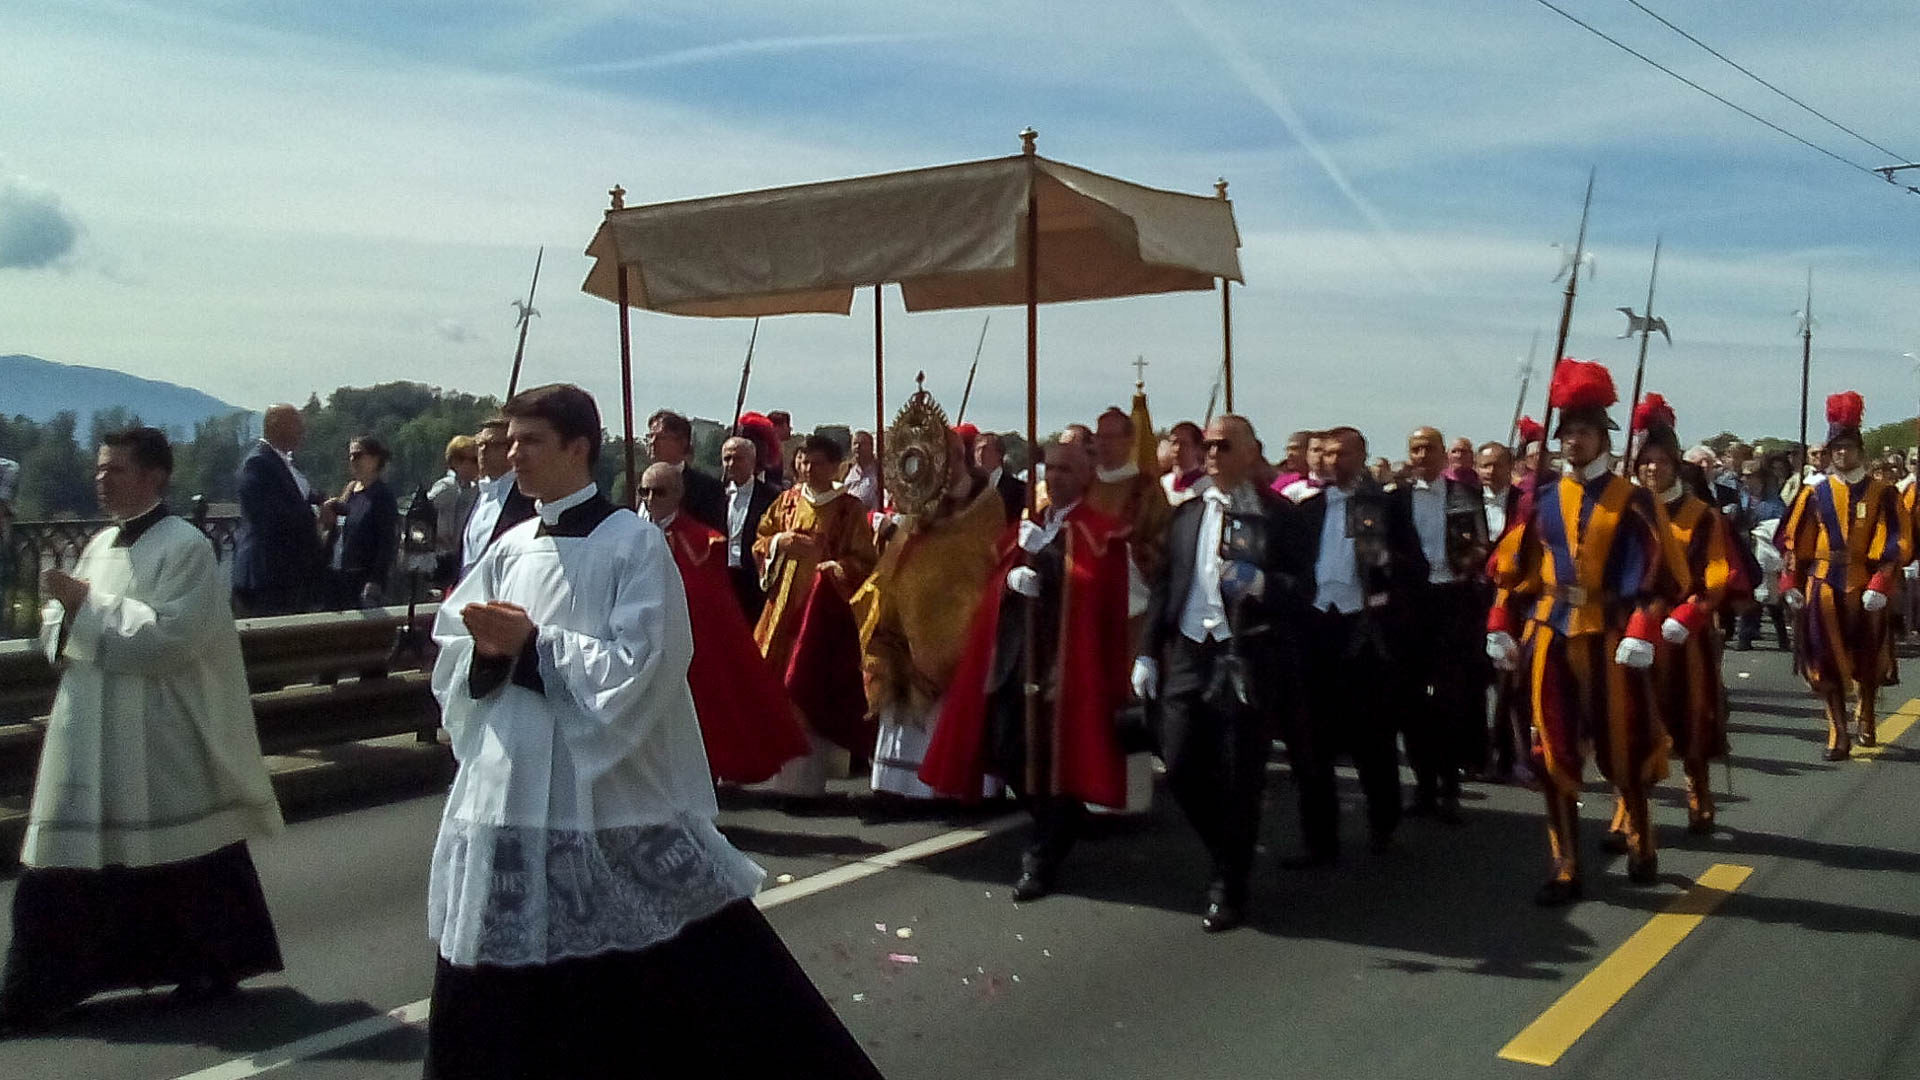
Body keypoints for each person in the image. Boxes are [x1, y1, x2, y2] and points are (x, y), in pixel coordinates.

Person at [421, 384, 880, 1079]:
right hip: (506, 781)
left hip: (595, 780)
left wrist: (534, 645)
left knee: (661, 959)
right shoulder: (510, 546)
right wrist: (484, 650)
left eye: (531, 440)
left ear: (579, 447)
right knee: (498, 956)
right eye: (509, 440)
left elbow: (652, 661)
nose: (513, 453)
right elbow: (456, 642)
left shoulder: (631, 543)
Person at [3, 427, 283, 1032]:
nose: (102, 480)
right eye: (99, 470)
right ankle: (39, 984)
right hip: (89, 715)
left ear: (156, 477)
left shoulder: (186, 546)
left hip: (157, 726)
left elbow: (172, 637)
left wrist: (86, 605)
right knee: (65, 853)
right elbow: (58, 624)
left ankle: (210, 962)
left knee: (179, 854)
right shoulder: (99, 542)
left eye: (116, 470)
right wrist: (66, 610)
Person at [1487, 360, 1680, 905]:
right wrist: (1500, 620)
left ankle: (1642, 837)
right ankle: (1565, 861)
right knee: (1551, 751)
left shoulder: (1633, 499)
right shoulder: (1539, 498)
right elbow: (1513, 568)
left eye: (1584, 432)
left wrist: (1642, 626)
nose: (1574, 441)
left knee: (1624, 744)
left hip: (1611, 635)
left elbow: (1656, 572)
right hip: (1549, 633)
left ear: (1603, 438)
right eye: (1567, 433)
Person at [923, 437, 1135, 900]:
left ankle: (1042, 854)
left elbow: (1097, 593)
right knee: (1005, 749)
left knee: (1053, 759)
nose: (1054, 477)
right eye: (1049, 468)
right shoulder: (1030, 524)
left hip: (1063, 664)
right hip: (1015, 658)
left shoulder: (1102, 530)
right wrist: (1013, 577)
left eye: (1065, 469)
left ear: (1085, 476)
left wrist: (1053, 566)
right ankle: (1062, 819)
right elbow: (998, 578)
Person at [1135, 415, 1293, 932]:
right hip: (1189, 650)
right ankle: (1229, 851)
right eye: (1207, 445)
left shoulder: (1280, 516)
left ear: (1251, 452)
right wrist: (1145, 652)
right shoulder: (1188, 514)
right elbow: (1164, 585)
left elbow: (1303, 587)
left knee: (1240, 775)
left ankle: (1229, 882)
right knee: (1179, 764)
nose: (1212, 454)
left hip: (1246, 652)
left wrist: (1263, 585)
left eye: (1225, 446)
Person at [1282, 425, 1425, 867]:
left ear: (1361, 457)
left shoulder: (1386, 505)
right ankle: (1319, 841)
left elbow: (1414, 568)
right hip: (1314, 630)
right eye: (1323, 454)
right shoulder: (1305, 508)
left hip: (1365, 632)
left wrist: (1385, 562)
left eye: (1341, 454)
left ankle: (1383, 823)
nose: (1331, 462)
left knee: (1373, 741)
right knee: (1311, 746)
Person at [858, 428, 1008, 802]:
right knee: (901, 687)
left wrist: (927, 537)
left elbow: (974, 547)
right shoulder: (918, 495)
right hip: (908, 608)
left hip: (957, 610)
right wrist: (896, 529)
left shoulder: (986, 500)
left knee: (950, 692)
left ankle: (951, 781)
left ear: (960, 458)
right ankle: (897, 782)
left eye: (950, 457)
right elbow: (906, 540)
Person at [638, 463, 809, 785]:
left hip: (686, 651)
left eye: (658, 491)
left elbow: (711, 606)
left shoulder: (704, 542)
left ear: (678, 494)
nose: (650, 499)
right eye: (643, 491)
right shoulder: (626, 535)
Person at [1631, 395, 1738, 836]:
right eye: (1645, 462)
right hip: (1634, 629)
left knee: (1690, 714)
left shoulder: (1703, 516)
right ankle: (1630, 811)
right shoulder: (1627, 511)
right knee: (1630, 719)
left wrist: (1693, 611)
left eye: (1660, 461)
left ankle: (1699, 789)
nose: (1653, 469)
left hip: (1684, 630)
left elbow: (1716, 571)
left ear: (1676, 464)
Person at [1778, 392, 1904, 760]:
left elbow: (1894, 540)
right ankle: (1837, 729)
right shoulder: (1813, 494)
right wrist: (1791, 583)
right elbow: (1793, 542)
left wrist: (1881, 582)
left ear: (1860, 451)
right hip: (1822, 585)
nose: (1842, 454)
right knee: (1824, 660)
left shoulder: (1884, 494)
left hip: (1864, 582)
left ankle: (1866, 712)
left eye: (1848, 448)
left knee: (1868, 657)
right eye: (1836, 449)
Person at [753, 434, 879, 798]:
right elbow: (761, 540)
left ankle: (811, 776)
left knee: (811, 685)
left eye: (818, 462)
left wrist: (836, 568)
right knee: (777, 684)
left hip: (823, 614)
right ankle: (779, 772)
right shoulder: (787, 502)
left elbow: (864, 560)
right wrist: (780, 544)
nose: (809, 468)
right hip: (781, 609)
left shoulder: (848, 509)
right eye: (804, 461)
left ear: (836, 466)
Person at [1396, 426, 1490, 822]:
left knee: (1451, 698)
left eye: (1428, 449)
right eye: (1415, 449)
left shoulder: (1463, 495)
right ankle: (1423, 786)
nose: (1421, 456)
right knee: (1412, 700)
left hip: (1453, 599)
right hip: (1411, 604)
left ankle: (1450, 786)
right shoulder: (1393, 500)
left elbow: (1482, 542)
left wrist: (1470, 562)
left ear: (1441, 454)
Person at [232, 403, 325, 616]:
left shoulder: (281, 463)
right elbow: (269, 515)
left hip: (285, 577)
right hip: (266, 577)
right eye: (296, 424)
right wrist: (318, 516)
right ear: (275, 426)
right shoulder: (258, 463)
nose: (302, 431)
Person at [1477, 440, 1527, 781]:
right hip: (1472, 600)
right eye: (1485, 465)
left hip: (1511, 601)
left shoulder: (1525, 504)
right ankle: (1477, 752)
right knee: (1474, 683)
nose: (1491, 472)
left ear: (1511, 468)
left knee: (1510, 684)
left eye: (1498, 465)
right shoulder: (1464, 502)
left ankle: (1510, 755)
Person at [1088, 406, 1173, 582]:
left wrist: (1131, 553)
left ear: (1129, 440)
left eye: (1111, 437)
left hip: (1131, 586)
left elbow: (1163, 536)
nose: (1103, 443)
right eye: (1100, 437)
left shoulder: (1146, 487)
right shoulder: (1084, 484)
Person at [319, 435, 399, 610]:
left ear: (375, 459)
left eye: (358, 455)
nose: (352, 460)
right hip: (335, 576)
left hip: (360, 580)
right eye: (350, 456)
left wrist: (376, 580)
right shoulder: (349, 492)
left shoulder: (382, 496)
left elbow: (387, 542)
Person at [461, 419, 536, 579]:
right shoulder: (473, 494)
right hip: (462, 597)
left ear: (512, 448)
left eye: (493, 445)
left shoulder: (529, 499)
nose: (483, 451)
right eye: (480, 444)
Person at [720, 431, 779, 622]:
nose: (731, 464)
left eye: (738, 458)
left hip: (754, 579)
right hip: (723, 577)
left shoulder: (771, 497)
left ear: (752, 462)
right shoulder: (716, 495)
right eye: (727, 458)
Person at [1734, 460, 1789, 650]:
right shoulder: (1741, 498)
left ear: (1760, 477)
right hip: (1744, 550)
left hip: (1763, 552)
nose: (1745, 479)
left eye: (1749, 475)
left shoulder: (1773, 503)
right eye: (1743, 475)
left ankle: (1782, 637)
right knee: (1749, 593)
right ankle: (1745, 637)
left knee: (1770, 597)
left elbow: (1779, 527)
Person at [645, 410, 725, 531]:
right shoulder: (644, 485)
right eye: (650, 436)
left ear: (682, 443)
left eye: (661, 437)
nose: (652, 442)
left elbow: (712, 540)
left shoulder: (707, 490)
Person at [427, 435, 481, 586]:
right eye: (473, 460)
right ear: (455, 462)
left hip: (457, 556)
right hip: (440, 557)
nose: (478, 465)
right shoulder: (447, 487)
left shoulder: (473, 489)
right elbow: (421, 512)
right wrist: (436, 536)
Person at [975, 431, 1028, 525]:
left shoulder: (1019, 490)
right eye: (977, 449)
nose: (980, 454)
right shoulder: (970, 489)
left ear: (999, 454)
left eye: (985, 449)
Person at [1161, 420, 1209, 506]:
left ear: (1198, 448)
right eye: (1174, 443)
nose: (1177, 449)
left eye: (1184, 444)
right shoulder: (1164, 483)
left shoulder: (1208, 486)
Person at [840, 430, 882, 512]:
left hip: (870, 519)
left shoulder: (880, 470)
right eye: (855, 443)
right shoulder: (845, 469)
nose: (857, 447)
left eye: (862, 443)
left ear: (871, 447)